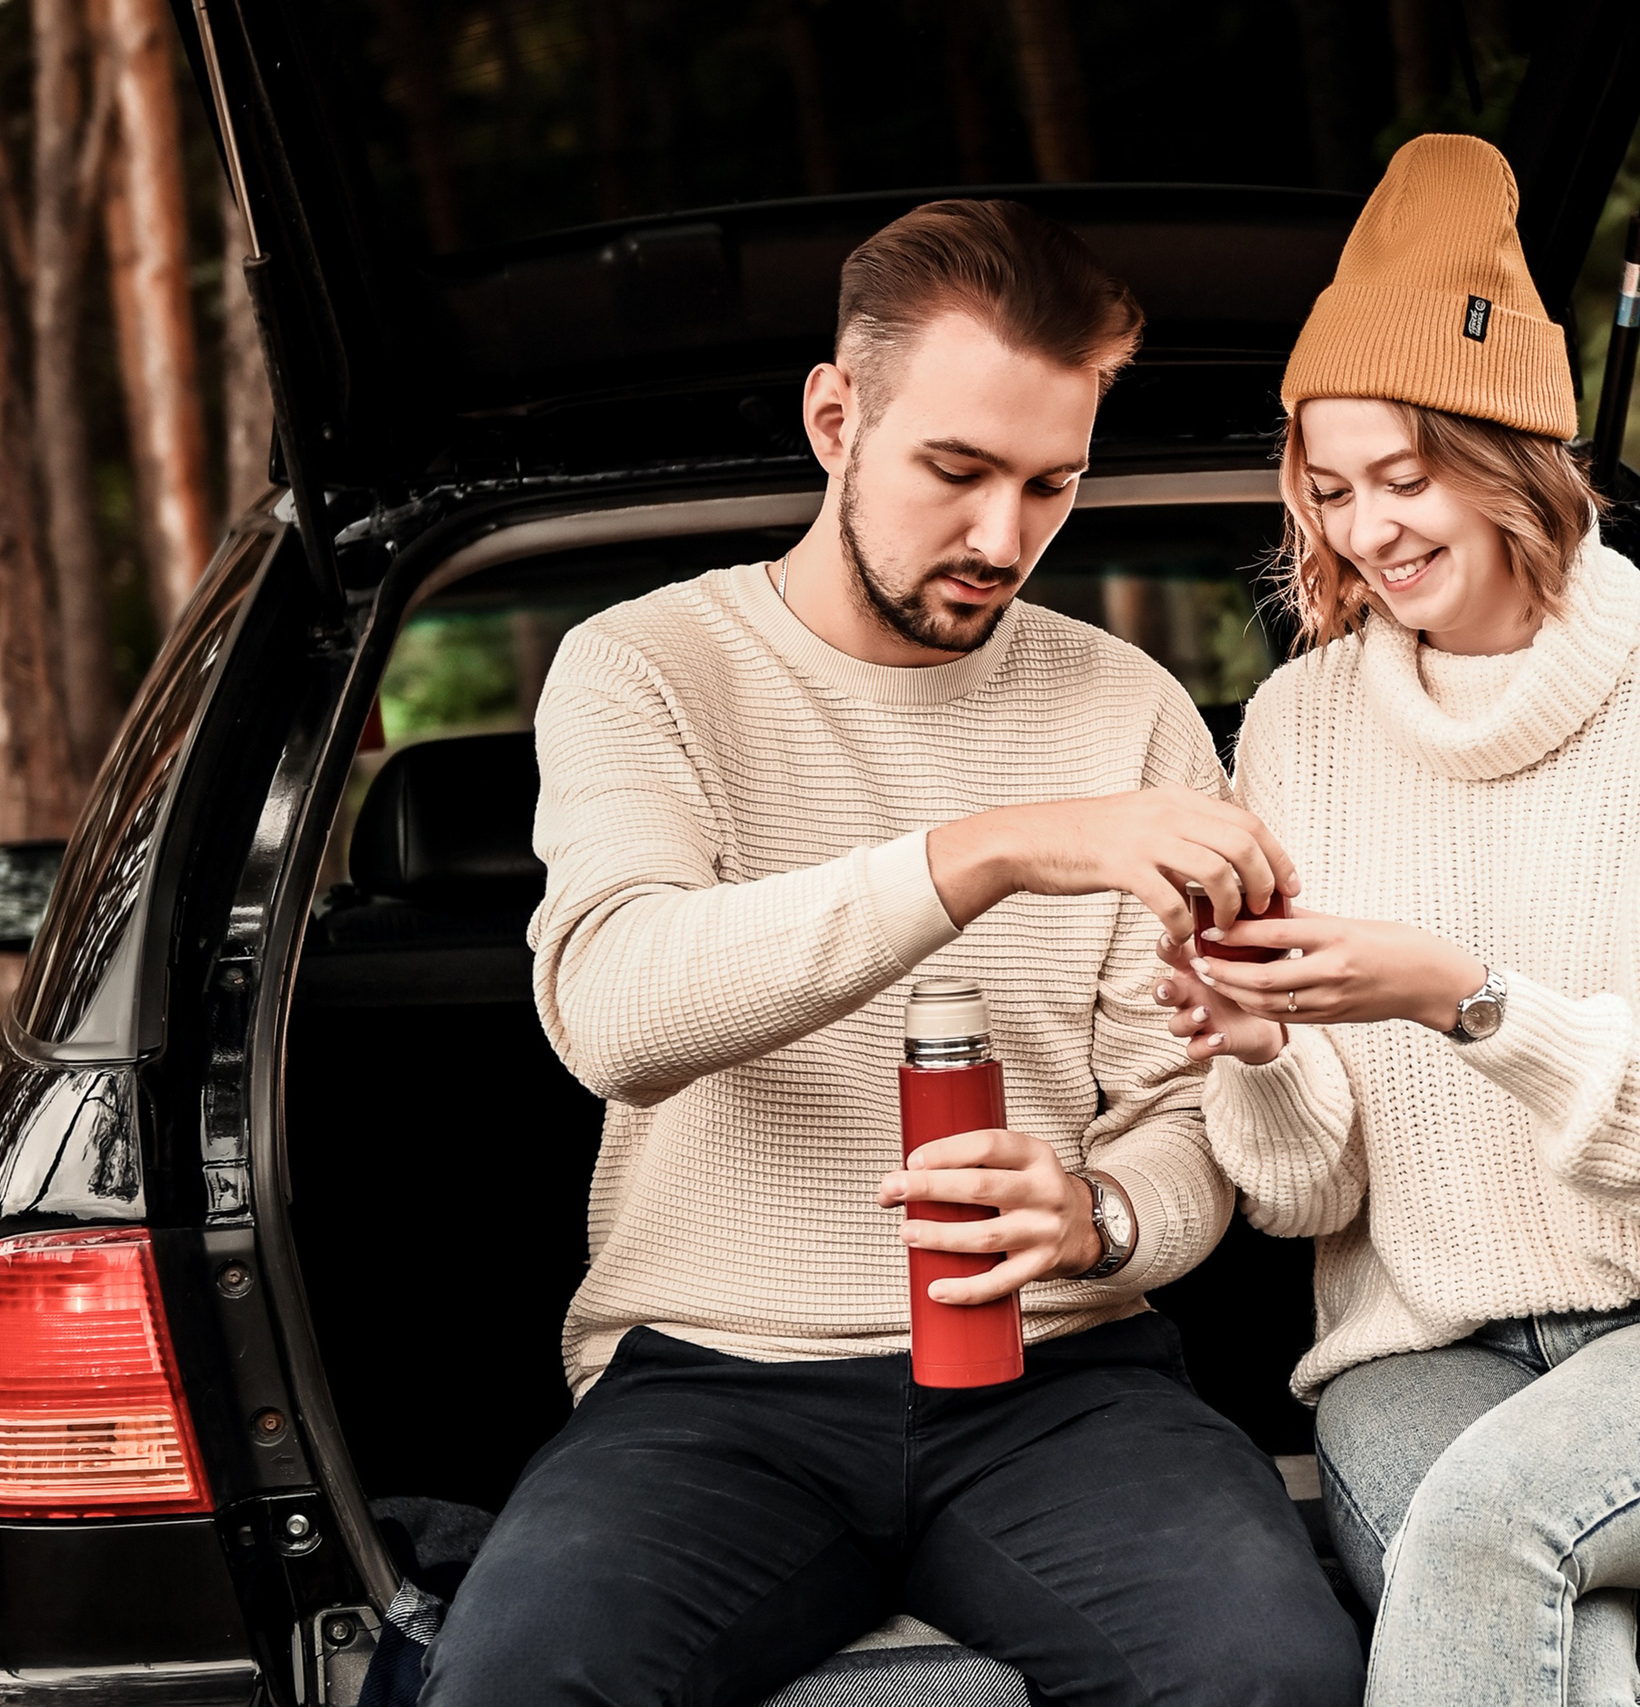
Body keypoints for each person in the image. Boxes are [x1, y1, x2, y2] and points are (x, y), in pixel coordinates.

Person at [424, 198, 1364, 1707]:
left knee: (1277, 1678)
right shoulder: (648, 668)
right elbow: (616, 1008)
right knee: (513, 1689)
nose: (1005, 538)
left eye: (1050, 484)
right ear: (834, 414)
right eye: (957, 470)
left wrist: (1103, 1218)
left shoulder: (1127, 710)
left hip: (1065, 1389)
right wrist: (988, 851)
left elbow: (1190, 1119)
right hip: (710, 1388)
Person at [1155, 136, 1640, 1707]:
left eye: (1407, 476)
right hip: (1419, 1354)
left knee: (1494, 1527)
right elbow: (1306, 1187)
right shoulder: (1299, 730)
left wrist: (1467, 1000)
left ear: (1514, 450)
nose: (1370, 531)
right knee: (1557, 1625)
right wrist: (1255, 1051)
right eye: (1330, 488)